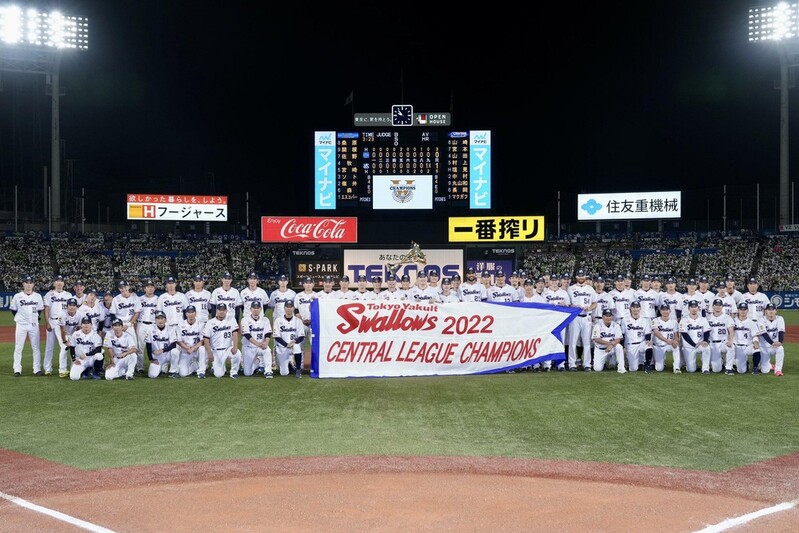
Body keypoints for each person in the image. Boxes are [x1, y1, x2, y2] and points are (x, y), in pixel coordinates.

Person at [10, 274, 44, 377]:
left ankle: (37, 369)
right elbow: (13, 310)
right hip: (21, 325)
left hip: (34, 325)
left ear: (33, 284)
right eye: (26, 283)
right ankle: (17, 369)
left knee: (36, 347)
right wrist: (21, 319)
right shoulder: (17, 296)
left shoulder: (37, 296)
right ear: (23, 284)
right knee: (19, 347)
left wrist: (34, 318)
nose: (28, 285)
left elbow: (39, 310)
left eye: (30, 283)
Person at [156, 276, 188, 377]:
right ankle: (165, 365)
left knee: (178, 348)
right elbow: (159, 313)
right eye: (168, 283)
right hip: (167, 326)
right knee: (165, 346)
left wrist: (183, 324)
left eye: (172, 283)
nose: (170, 285)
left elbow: (186, 311)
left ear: (175, 284)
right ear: (166, 285)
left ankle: (175, 367)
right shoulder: (162, 297)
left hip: (179, 325)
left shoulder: (182, 296)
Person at [43, 274, 73, 376]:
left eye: (61, 281)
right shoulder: (49, 294)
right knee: (49, 346)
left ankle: (62, 369)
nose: (59, 283)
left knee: (64, 345)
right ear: (54, 283)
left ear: (64, 283)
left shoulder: (68, 295)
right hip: (52, 321)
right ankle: (47, 368)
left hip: (63, 323)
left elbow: (71, 310)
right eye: (57, 281)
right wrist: (47, 322)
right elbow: (46, 309)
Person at [567, 269, 597, 371]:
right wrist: (574, 306)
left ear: (585, 277)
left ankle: (587, 364)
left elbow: (595, 303)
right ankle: (572, 364)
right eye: (579, 275)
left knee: (587, 342)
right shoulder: (571, 289)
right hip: (575, 317)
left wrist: (589, 308)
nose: (581, 277)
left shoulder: (590, 289)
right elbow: (568, 304)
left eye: (582, 275)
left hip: (587, 317)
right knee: (572, 342)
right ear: (576, 277)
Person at [202, 303, 241, 378]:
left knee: (237, 353)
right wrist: (209, 352)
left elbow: (235, 333)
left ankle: (234, 372)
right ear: (216, 311)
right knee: (219, 375)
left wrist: (235, 346)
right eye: (220, 310)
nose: (222, 312)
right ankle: (219, 367)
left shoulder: (231, 319)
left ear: (226, 311)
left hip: (228, 348)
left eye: (223, 310)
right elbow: (206, 338)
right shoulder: (210, 322)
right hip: (215, 351)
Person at [110, 280, 141, 368]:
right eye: (121, 287)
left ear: (128, 287)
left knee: (134, 346)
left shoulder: (135, 298)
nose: (123, 289)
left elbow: (137, 312)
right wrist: (117, 326)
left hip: (129, 324)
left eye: (124, 287)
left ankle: (134, 367)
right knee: (116, 346)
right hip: (119, 324)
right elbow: (112, 313)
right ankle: (114, 363)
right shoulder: (116, 299)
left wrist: (130, 324)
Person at [240, 300, 273, 377]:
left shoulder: (265, 320)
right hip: (248, 347)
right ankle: (257, 362)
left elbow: (268, 333)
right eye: (254, 308)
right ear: (250, 309)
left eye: (257, 308)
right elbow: (247, 335)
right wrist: (258, 344)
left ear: (261, 309)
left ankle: (268, 371)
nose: (256, 310)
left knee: (267, 350)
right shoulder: (245, 320)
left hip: (260, 347)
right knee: (247, 373)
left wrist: (266, 343)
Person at [272, 300, 305, 378]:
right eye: (287, 307)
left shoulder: (298, 321)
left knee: (297, 347)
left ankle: (298, 369)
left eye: (290, 307)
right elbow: (276, 336)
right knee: (284, 373)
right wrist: (286, 344)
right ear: (284, 308)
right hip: (282, 347)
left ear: (293, 308)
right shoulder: (278, 320)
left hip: (293, 345)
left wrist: (294, 342)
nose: (289, 309)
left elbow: (301, 336)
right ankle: (289, 365)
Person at [728, 302, 763, 375]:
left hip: (747, 346)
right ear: (738, 310)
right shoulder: (733, 321)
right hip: (736, 347)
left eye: (744, 309)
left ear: (747, 311)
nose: (743, 311)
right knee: (741, 371)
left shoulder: (751, 323)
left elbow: (755, 335)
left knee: (757, 349)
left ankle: (755, 368)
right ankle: (745, 364)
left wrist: (756, 342)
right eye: (741, 309)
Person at [68, 316, 103, 381]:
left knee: (99, 355)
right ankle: (86, 371)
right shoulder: (76, 334)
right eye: (84, 323)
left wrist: (87, 354)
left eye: (88, 323)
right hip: (80, 360)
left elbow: (98, 349)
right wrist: (74, 359)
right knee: (74, 377)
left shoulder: (95, 335)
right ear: (81, 325)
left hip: (91, 359)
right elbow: (72, 347)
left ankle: (96, 372)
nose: (86, 325)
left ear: (91, 325)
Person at [679, 300, 710, 374]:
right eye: (692, 307)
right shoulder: (684, 320)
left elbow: (706, 331)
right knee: (691, 370)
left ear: (698, 308)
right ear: (689, 309)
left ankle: (705, 369)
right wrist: (694, 344)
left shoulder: (703, 319)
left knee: (706, 347)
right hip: (689, 346)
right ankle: (691, 366)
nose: (694, 309)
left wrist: (705, 341)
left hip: (700, 344)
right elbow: (684, 335)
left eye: (695, 307)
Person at [176, 305, 207, 378]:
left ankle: (201, 372)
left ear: (195, 313)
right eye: (189, 312)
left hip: (196, 350)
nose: (191, 314)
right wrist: (187, 348)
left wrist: (193, 348)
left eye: (192, 312)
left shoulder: (201, 324)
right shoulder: (180, 325)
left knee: (202, 349)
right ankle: (194, 365)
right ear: (186, 314)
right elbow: (179, 341)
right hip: (185, 351)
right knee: (182, 374)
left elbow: (203, 340)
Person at [591, 309, 626, 373]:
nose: (608, 318)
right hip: (601, 349)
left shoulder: (616, 325)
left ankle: (621, 368)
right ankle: (607, 361)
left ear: (612, 317)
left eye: (610, 316)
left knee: (619, 347)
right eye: (606, 316)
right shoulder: (598, 325)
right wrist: (609, 344)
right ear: (602, 317)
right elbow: (596, 339)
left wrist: (611, 345)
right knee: (597, 369)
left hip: (612, 348)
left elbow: (618, 339)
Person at [146, 311, 179, 378]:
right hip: (157, 357)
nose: (160, 320)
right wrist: (151, 359)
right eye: (158, 318)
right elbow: (148, 345)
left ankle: (173, 371)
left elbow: (173, 345)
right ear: (155, 320)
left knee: (175, 351)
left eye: (162, 318)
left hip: (167, 355)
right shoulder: (150, 329)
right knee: (152, 375)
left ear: (165, 319)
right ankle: (162, 368)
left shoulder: (171, 329)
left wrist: (162, 350)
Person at [705, 298, 734, 374]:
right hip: (712, 343)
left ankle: (728, 368)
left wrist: (730, 341)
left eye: (719, 305)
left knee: (731, 347)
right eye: (716, 305)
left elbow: (731, 330)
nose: (718, 307)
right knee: (716, 369)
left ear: (722, 306)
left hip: (723, 342)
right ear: (713, 306)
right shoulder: (708, 318)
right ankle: (720, 360)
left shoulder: (727, 317)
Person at [622, 301, 652, 372]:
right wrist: (623, 347)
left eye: (637, 307)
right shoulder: (625, 320)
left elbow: (648, 333)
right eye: (634, 307)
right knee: (633, 369)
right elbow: (622, 334)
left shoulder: (645, 320)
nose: (636, 309)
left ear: (640, 308)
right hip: (630, 345)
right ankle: (628, 361)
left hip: (641, 343)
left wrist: (648, 340)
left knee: (649, 346)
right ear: (631, 308)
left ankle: (647, 365)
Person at [137, 279, 159, 374]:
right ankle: (140, 367)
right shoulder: (139, 299)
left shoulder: (158, 299)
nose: (150, 288)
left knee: (154, 347)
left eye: (151, 287)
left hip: (154, 324)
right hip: (142, 324)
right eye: (148, 287)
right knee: (140, 347)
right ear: (144, 288)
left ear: (154, 288)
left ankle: (155, 366)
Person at [651, 304, 681, 373]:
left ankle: (676, 368)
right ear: (660, 311)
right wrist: (667, 341)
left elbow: (676, 335)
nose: (665, 311)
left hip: (669, 345)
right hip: (659, 346)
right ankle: (662, 361)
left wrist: (675, 341)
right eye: (663, 310)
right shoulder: (655, 321)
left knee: (676, 347)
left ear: (670, 311)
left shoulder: (674, 321)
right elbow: (656, 333)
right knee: (659, 368)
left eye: (667, 310)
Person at [57, 298, 82, 377]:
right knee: (64, 348)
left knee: (75, 348)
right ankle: (62, 370)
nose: (72, 307)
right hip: (61, 332)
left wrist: (76, 339)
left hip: (73, 333)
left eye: (74, 305)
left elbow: (79, 328)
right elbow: (62, 329)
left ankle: (73, 368)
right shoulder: (62, 314)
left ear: (76, 307)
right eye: (70, 305)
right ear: (67, 306)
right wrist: (65, 341)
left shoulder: (79, 314)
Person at [759, 303, 785, 376]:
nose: (771, 311)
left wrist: (780, 342)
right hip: (764, 347)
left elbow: (781, 331)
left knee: (780, 348)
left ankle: (778, 370)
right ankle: (770, 366)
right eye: (769, 309)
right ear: (765, 311)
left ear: (776, 311)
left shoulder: (780, 318)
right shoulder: (761, 320)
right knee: (764, 371)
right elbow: (764, 333)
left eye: (773, 309)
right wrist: (772, 343)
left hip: (775, 346)